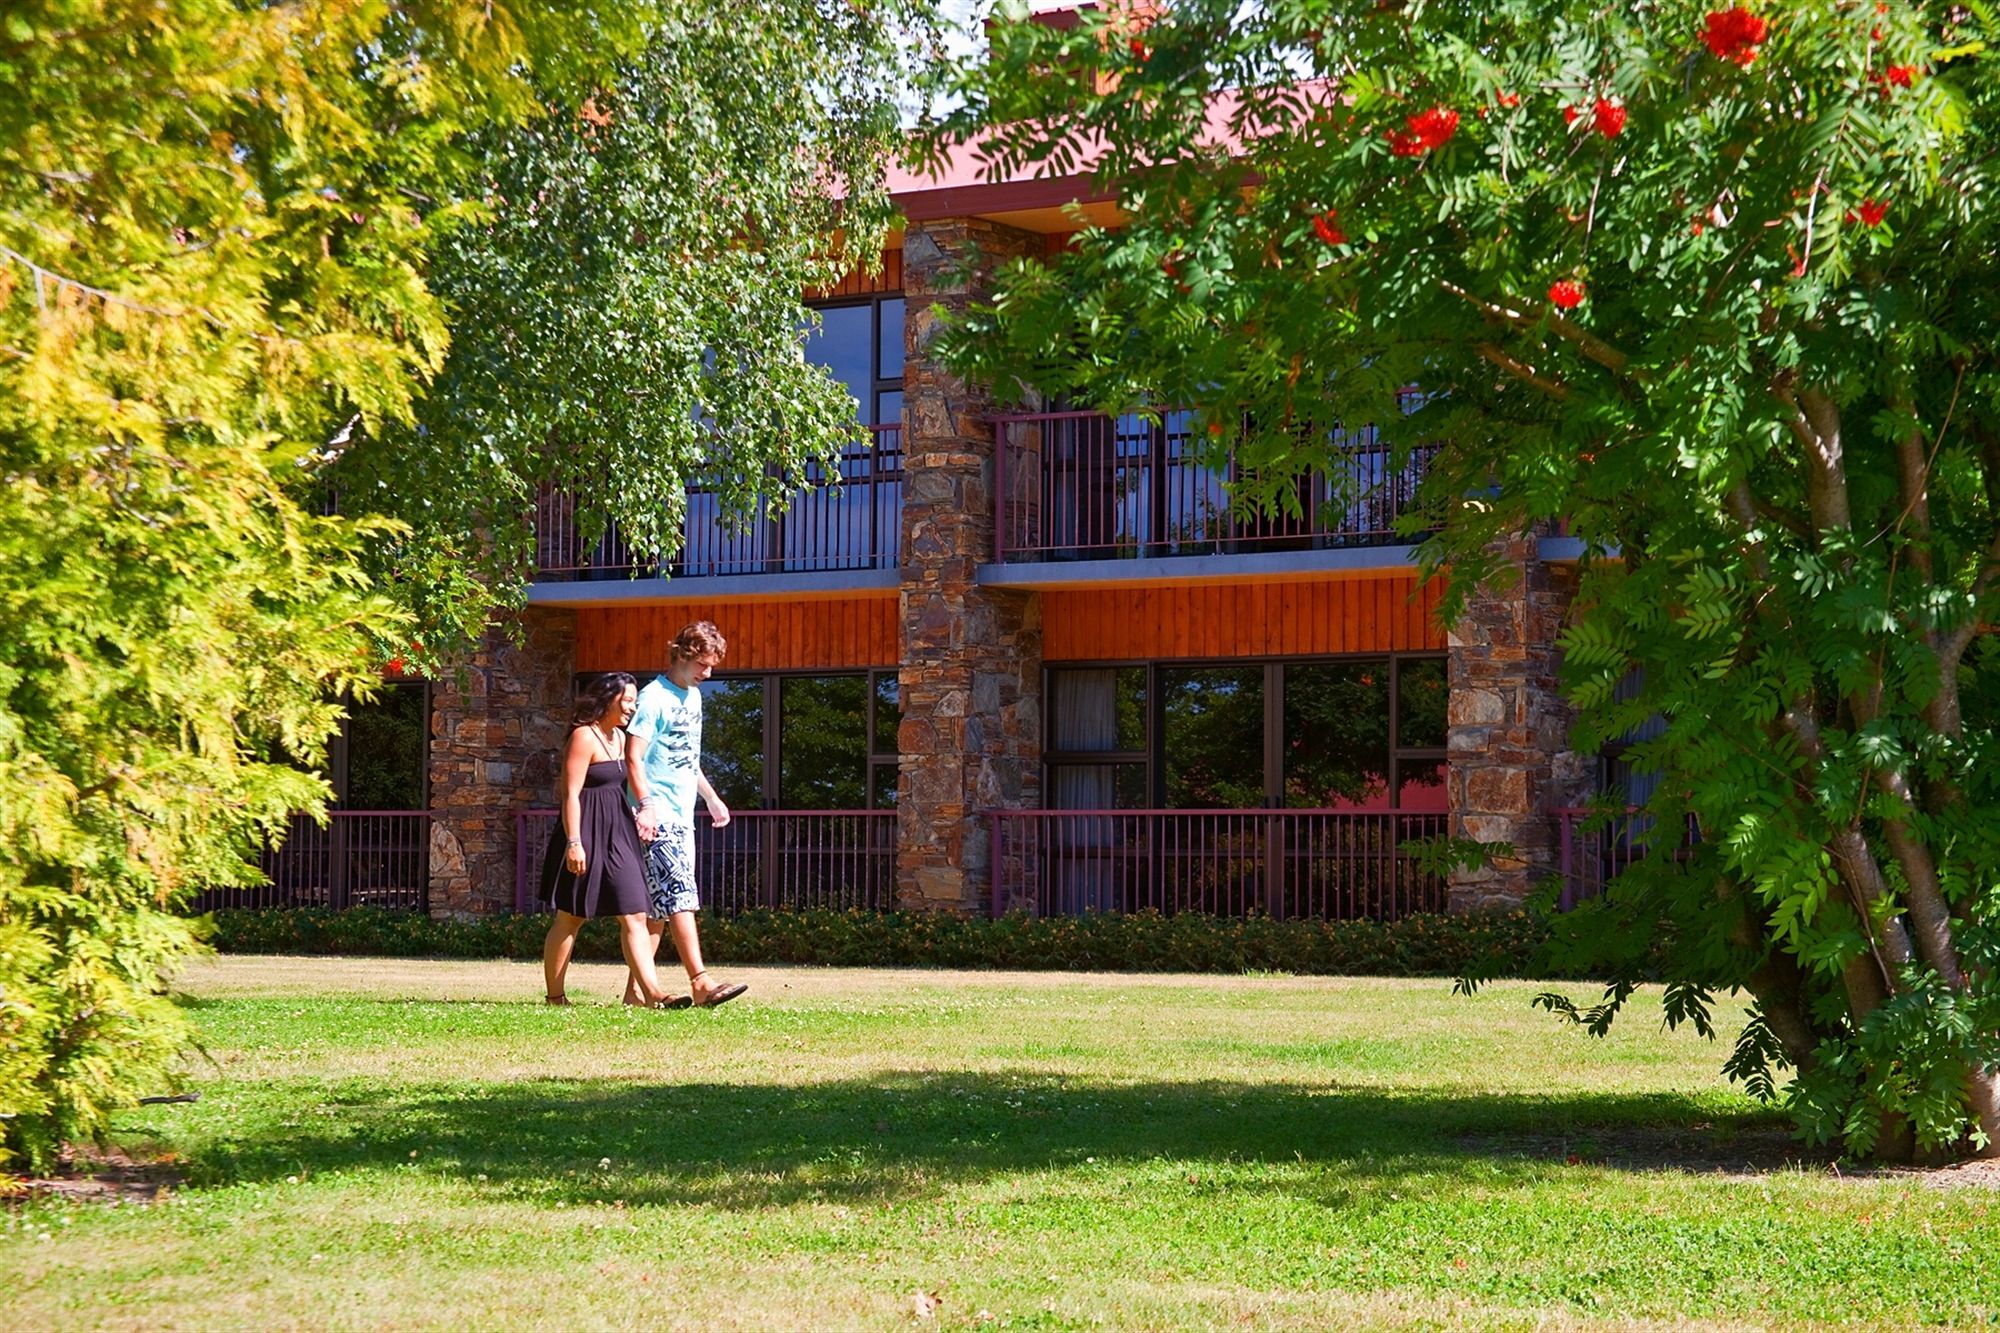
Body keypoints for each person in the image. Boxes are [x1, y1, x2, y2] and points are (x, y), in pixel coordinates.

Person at [540, 671, 689, 1009]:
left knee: (636, 912)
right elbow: (570, 795)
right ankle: (555, 996)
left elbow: (629, 782)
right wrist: (574, 842)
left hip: (619, 832)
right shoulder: (583, 737)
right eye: (627, 702)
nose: (631, 709)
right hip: (585, 831)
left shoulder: (621, 739)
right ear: (607, 699)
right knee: (570, 917)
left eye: (634, 703)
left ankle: (650, 994)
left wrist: (642, 812)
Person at [625, 620, 748, 1009]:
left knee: (659, 908)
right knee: (679, 895)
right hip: (655, 814)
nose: (708, 674)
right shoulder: (652, 698)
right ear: (682, 654)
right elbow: (633, 756)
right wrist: (646, 806)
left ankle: (637, 995)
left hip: (683, 814)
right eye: (703, 665)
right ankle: (700, 981)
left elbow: (686, 759)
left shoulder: (693, 697)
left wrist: (711, 798)